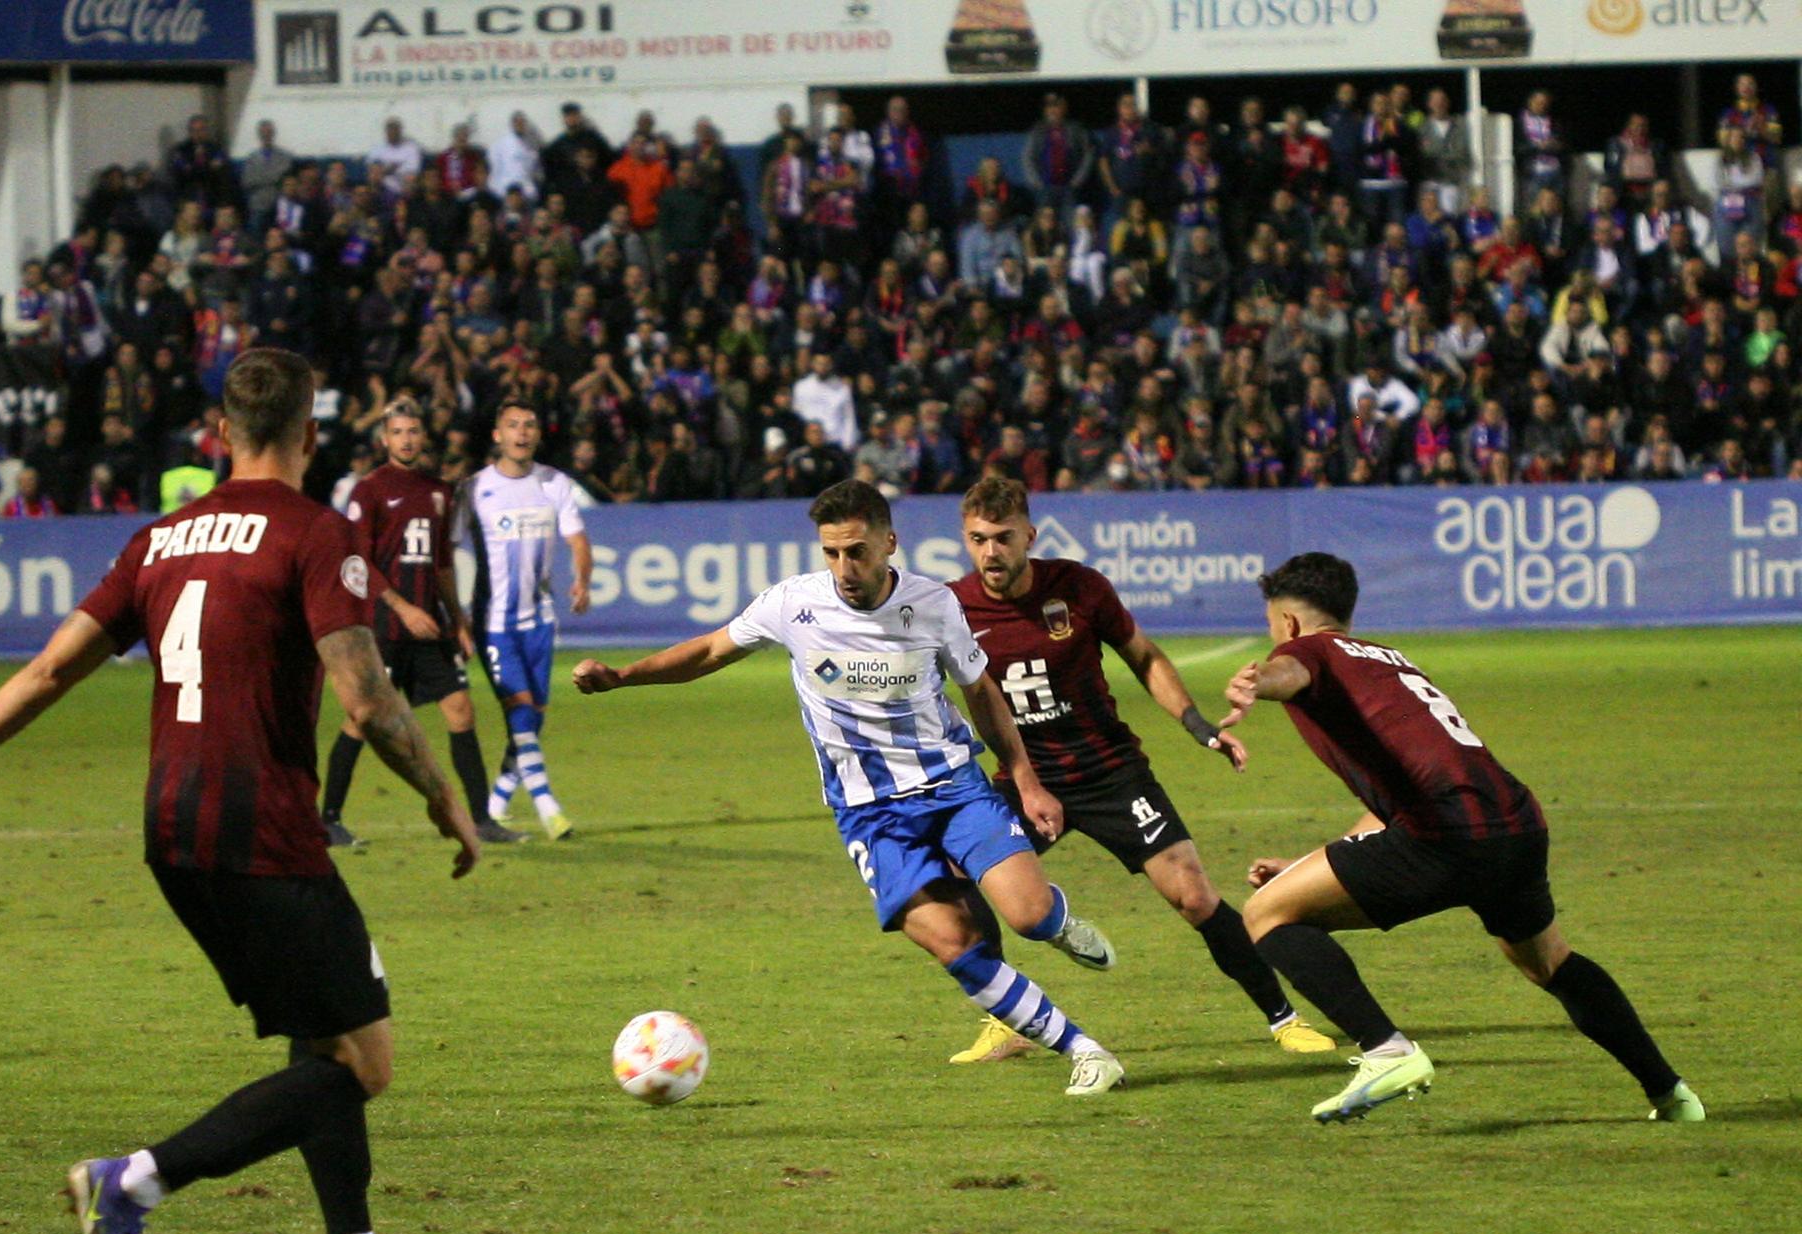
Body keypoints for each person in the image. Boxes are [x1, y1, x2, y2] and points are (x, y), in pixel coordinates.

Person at [0, 348, 479, 1234]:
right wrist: (442, 798)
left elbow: (46, 671)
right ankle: (131, 1183)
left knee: (317, 1025)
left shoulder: (159, 538)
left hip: (172, 828)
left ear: (218, 437)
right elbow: (367, 699)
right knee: (357, 1064)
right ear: (310, 435)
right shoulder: (315, 531)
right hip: (265, 835)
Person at [572, 480, 1127, 1096]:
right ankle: (1086, 1050)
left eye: (857, 551)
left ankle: (1059, 920)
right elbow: (708, 649)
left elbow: (980, 692)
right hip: (869, 813)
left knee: (1029, 916)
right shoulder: (793, 604)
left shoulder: (934, 604)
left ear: (889, 543)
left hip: (952, 786)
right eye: (832, 553)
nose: (845, 568)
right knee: (955, 946)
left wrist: (1025, 779)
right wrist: (622, 677)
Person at [1217, 552, 1704, 1125]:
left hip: (1445, 835)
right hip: (1515, 824)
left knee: (1266, 917)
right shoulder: (1390, 661)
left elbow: (1289, 672)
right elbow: (1399, 797)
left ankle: (1385, 1050)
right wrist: (1303, 867)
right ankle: (1671, 1093)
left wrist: (1258, 682)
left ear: (1289, 623)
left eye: (1274, 624)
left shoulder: (1306, 651)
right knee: (1549, 961)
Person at [943, 479, 1334, 1064]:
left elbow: (1144, 656)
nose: (991, 552)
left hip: (1109, 772)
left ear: (1029, 534)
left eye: (1003, 538)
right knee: (958, 873)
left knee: (1194, 896)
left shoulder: (1078, 588)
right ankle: (1004, 1020)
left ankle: (1285, 1018)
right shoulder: (950, 606)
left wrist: (1198, 724)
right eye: (978, 540)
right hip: (1025, 778)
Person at [321, 402, 520, 848]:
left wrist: (460, 620)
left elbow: (442, 563)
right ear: (385, 439)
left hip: (432, 628)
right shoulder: (369, 491)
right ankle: (328, 819)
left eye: (414, 431)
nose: (407, 439)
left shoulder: (438, 492)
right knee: (362, 719)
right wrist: (401, 607)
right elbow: (358, 562)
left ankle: (481, 820)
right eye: (398, 432)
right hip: (385, 630)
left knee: (461, 711)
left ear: (423, 437)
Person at [459, 401, 592, 840]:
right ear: (497, 434)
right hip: (495, 623)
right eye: (513, 425)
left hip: (540, 620)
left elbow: (577, 540)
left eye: (529, 425)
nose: (521, 432)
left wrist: (582, 580)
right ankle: (547, 806)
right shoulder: (475, 489)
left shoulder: (554, 484)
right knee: (519, 711)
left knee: (533, 718)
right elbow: (446, 550)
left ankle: (496, 803)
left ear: (537, 434)